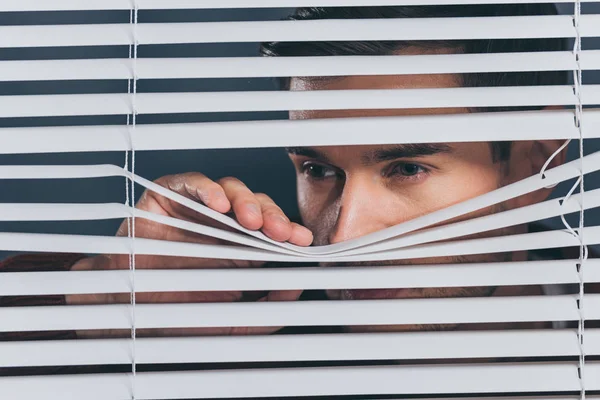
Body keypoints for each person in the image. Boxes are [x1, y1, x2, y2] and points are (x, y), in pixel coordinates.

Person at [1, 4, 592, 342]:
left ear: (538, 160)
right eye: (318, 169)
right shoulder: (239, 330)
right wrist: (96, 297)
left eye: (407, 166)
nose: (345, 236)